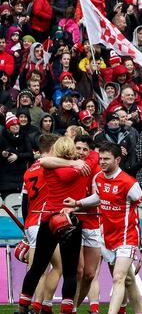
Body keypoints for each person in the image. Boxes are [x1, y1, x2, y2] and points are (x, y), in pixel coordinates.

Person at [63, 142, 142, 314]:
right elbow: (99, 197)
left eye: (107, 159)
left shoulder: (129, 183)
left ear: (118, 160)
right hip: (107, 237)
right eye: (101, 159)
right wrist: (77, 203)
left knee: (118, 278)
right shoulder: (98, 178)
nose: (103, 162)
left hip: (127, 237)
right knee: (128, 280)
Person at [17, 135, 90, 314]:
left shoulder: (48, 167)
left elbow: (44, 160)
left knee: (37, 267)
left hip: (48, 218)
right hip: (71, 220)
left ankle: (23, 306)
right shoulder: (82, 168)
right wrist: (75, 162)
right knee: (70, 271)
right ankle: (65, 308)